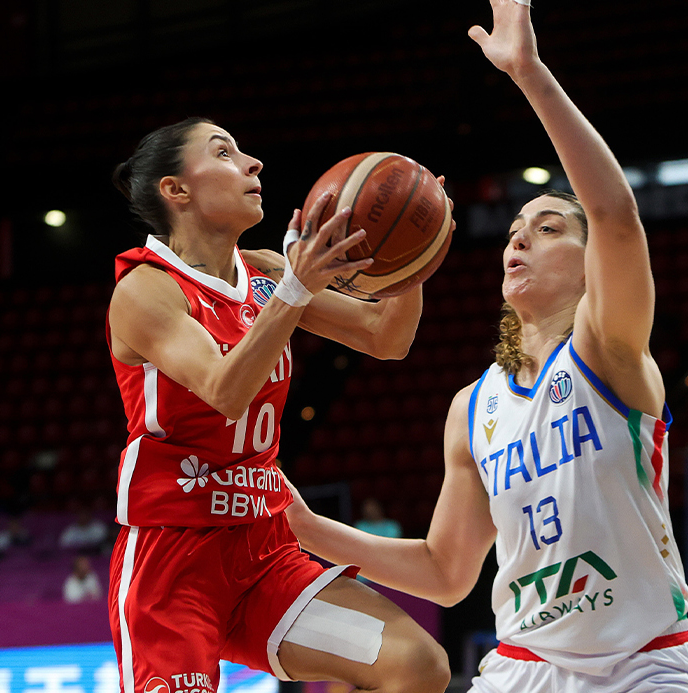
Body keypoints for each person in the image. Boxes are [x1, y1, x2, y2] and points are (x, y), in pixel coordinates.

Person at [285, 2, 688, 691]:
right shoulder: (472, 408)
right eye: (515, 228)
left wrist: (530, 74)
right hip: (526, 666)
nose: (520, 238)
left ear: (588, 257)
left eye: (547, 228)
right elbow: (446, 572)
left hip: (644, 662)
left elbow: (616, 215)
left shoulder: (609, 351)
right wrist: (308, 525)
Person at [104, 68, 455, 691]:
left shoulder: (265, 271)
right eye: (225, 152)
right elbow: (224, 389)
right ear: (175, 191)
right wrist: (295, 289)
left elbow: (386, 338)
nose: (253, 163)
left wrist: (413, 257)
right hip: (173, 561)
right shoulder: (144, 291)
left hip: (264, 552)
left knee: (417, 666)